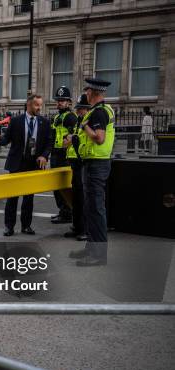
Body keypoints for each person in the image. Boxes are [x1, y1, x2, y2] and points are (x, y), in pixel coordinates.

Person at [69, 78, 115, 266]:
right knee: (91, 208)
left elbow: (99, 138)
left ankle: (98, 255)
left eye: (87, 91)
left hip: (96, 164)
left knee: (96, 209)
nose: (86, 94)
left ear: (93, 92)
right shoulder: (101, 111)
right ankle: (91, 248)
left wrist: (83, 127)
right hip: (94, 163)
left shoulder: (98, 113)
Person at [0, 94, 51, 236]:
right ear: (29, 105)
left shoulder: (44, 122)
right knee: (12, 197)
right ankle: (9, 226)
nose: (40, 108)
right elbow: (7, 139)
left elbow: (49, 142)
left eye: (41, 105)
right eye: (37, 105)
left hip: (33, 163)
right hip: (17, 163)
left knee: (29, 198)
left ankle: (26, 226)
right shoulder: (16, 121)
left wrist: (44, 155)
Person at [62, 94, 91, 241]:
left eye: (82, 109)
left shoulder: (89, 121)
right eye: (78, 108)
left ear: (88, 109)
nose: (79, 111)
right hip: (75, 162)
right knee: (77, 197)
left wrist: (72, 139)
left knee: (83, 198)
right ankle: (77, 227)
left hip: (84, 162)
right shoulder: (79, 121)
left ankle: (85, 229)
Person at [50, 86, 77, 224]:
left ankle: (68, 212)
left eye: (62, 100)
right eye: (58, 100)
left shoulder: (71, 117)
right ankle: (63, 211)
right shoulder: (56, 117)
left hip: (64, 156)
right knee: (57, 186)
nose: (59, 102)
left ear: (69, 102)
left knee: (65, 186)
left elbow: (74, 136)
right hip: (55, 154)